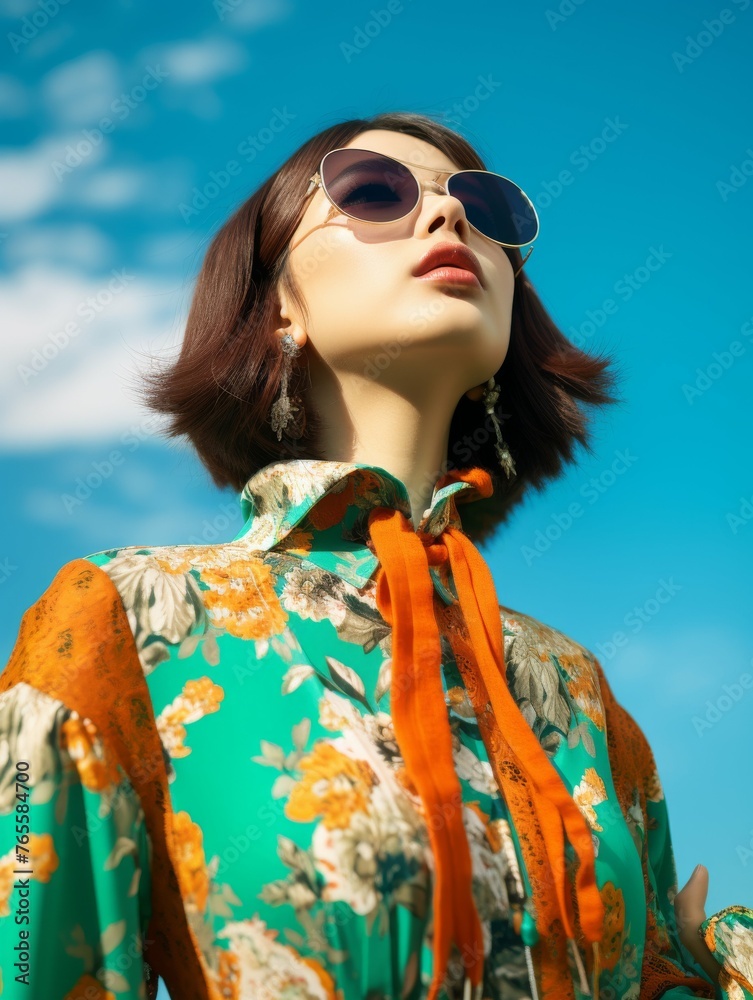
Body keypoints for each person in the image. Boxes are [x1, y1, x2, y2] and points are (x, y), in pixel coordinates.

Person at [0, 111, 751, 1000]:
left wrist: (699, 966)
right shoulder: (125, 620)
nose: (449, 219)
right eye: (374, 191)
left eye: (487, 207)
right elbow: (27, 969)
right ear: (280, 304)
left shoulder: (575, 689)